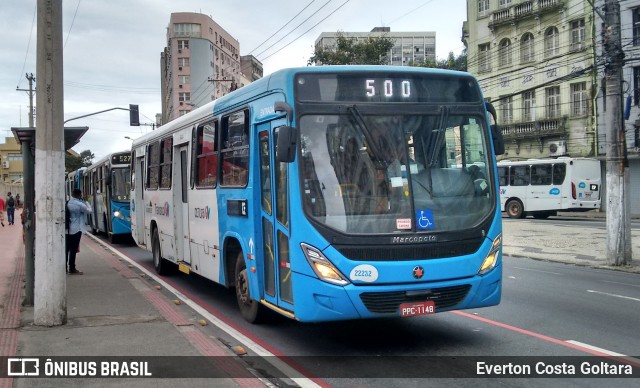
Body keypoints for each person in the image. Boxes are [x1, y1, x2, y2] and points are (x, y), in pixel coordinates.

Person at [66, 188, 92, 275]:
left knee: (66, 249)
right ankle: (72, 268)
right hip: (77, 229)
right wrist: (86, 201)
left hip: (67, 229)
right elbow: (89, 211)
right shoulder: (80, 204)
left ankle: (65, 268)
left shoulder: (68, 203)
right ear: (79, 195)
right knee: (73, 249)